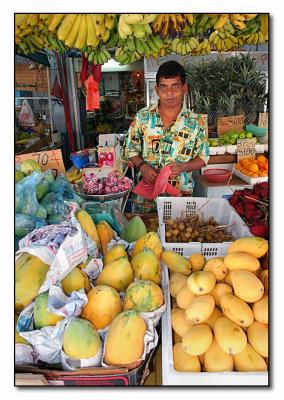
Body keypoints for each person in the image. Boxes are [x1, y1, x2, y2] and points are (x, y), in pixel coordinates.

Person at [124, 60, 209, 213]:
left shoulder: (196, 122)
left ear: (184, 88)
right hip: (146, 199)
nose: (169, 93)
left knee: (179, 235)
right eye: (164, 87)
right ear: (157, 89)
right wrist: (142, 167)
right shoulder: (143, 117)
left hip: (181, 198)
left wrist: (184, 166)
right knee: (145, 236)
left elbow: (203, 158)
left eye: (175, 86)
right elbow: (130, 150)